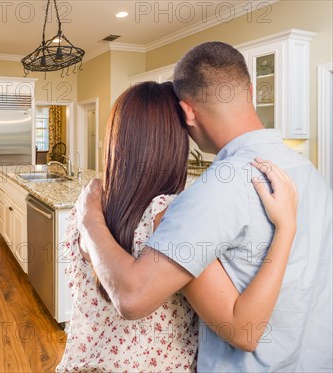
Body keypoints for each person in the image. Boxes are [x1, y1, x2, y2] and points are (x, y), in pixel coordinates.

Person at [75, 42, 333, 372]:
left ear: (187, 112)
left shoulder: (214, 191)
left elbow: (133, 297)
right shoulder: (308, 172)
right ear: (250, 91)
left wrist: (88, 218)